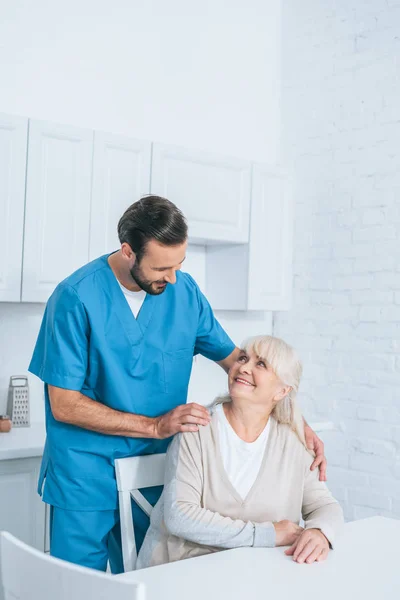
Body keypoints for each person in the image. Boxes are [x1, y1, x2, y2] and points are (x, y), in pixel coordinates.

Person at [28, 196, 326, 573]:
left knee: (150, 578)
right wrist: (154, 425)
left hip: (154, 468)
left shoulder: (183, 292)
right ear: (128, 252)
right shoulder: (74, 298)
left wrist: (297, 425)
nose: (171, 278)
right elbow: (64, 404)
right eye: (162, 267)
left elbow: (241, 364)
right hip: (86, 472)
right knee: (75, 587)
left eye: (179, 264)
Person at [137, 335, 343, 569]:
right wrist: (267, 534)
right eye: (243, 358)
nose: (243, 367)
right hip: (182, 571)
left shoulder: (293, 442)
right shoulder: (196, 428)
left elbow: (325, 506)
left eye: (261, 364)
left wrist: (319, 532)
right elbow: (180, 516)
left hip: (254, 574)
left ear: (282, 391)